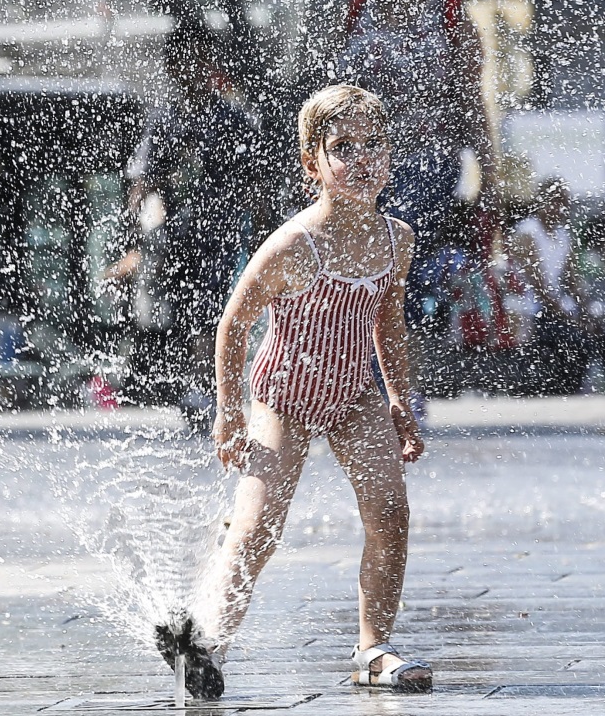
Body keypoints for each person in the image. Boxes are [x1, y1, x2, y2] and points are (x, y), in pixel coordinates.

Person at [153, 85, 428, 699]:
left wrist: (400, 401)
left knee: (391, 516)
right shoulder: (295, 243)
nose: (363, 161)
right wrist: (228, 413)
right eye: (343, 148)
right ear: (313, 164)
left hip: (354, 393)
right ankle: (205, 645)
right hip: (284, 394)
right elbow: (234, 322)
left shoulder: (395, 239)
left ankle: (372, 649)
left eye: (374, 146)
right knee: (259, 529)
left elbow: (388, 320)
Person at [333, 0, 496, 338]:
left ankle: (402, 374)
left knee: (400, 260)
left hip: (428, 161)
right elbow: (331, 94)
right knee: (358, 263)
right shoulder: (359, 5)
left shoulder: (449, 12)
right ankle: (366, 373)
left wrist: (488, 171)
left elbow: (472, 101)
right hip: (364, 162)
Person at [118, 26, 261, 430]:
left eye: (200, 61)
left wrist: (261, 232)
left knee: (218, 312)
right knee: (184, 314)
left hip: (222, 234)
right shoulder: (164, 119)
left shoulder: (231, 118)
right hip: (176, 238)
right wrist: (140, 217)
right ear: (171, 68)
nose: (193, 70)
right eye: (183, 63)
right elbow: (143, 180)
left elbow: (254, 182)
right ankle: (195, 385)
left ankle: (216, 388)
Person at [508, 178, 587, 395]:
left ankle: (573, 385)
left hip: (550, 303)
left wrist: (586, 309)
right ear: (542, 202)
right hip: (528, 304)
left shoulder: (563, 235)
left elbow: (572, 279)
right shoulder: (527, 232)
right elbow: (538, 285)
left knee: (595, 330)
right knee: (565, 330)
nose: (559, 208)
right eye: (555, 201)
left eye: (564, 203)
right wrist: (569, 316)